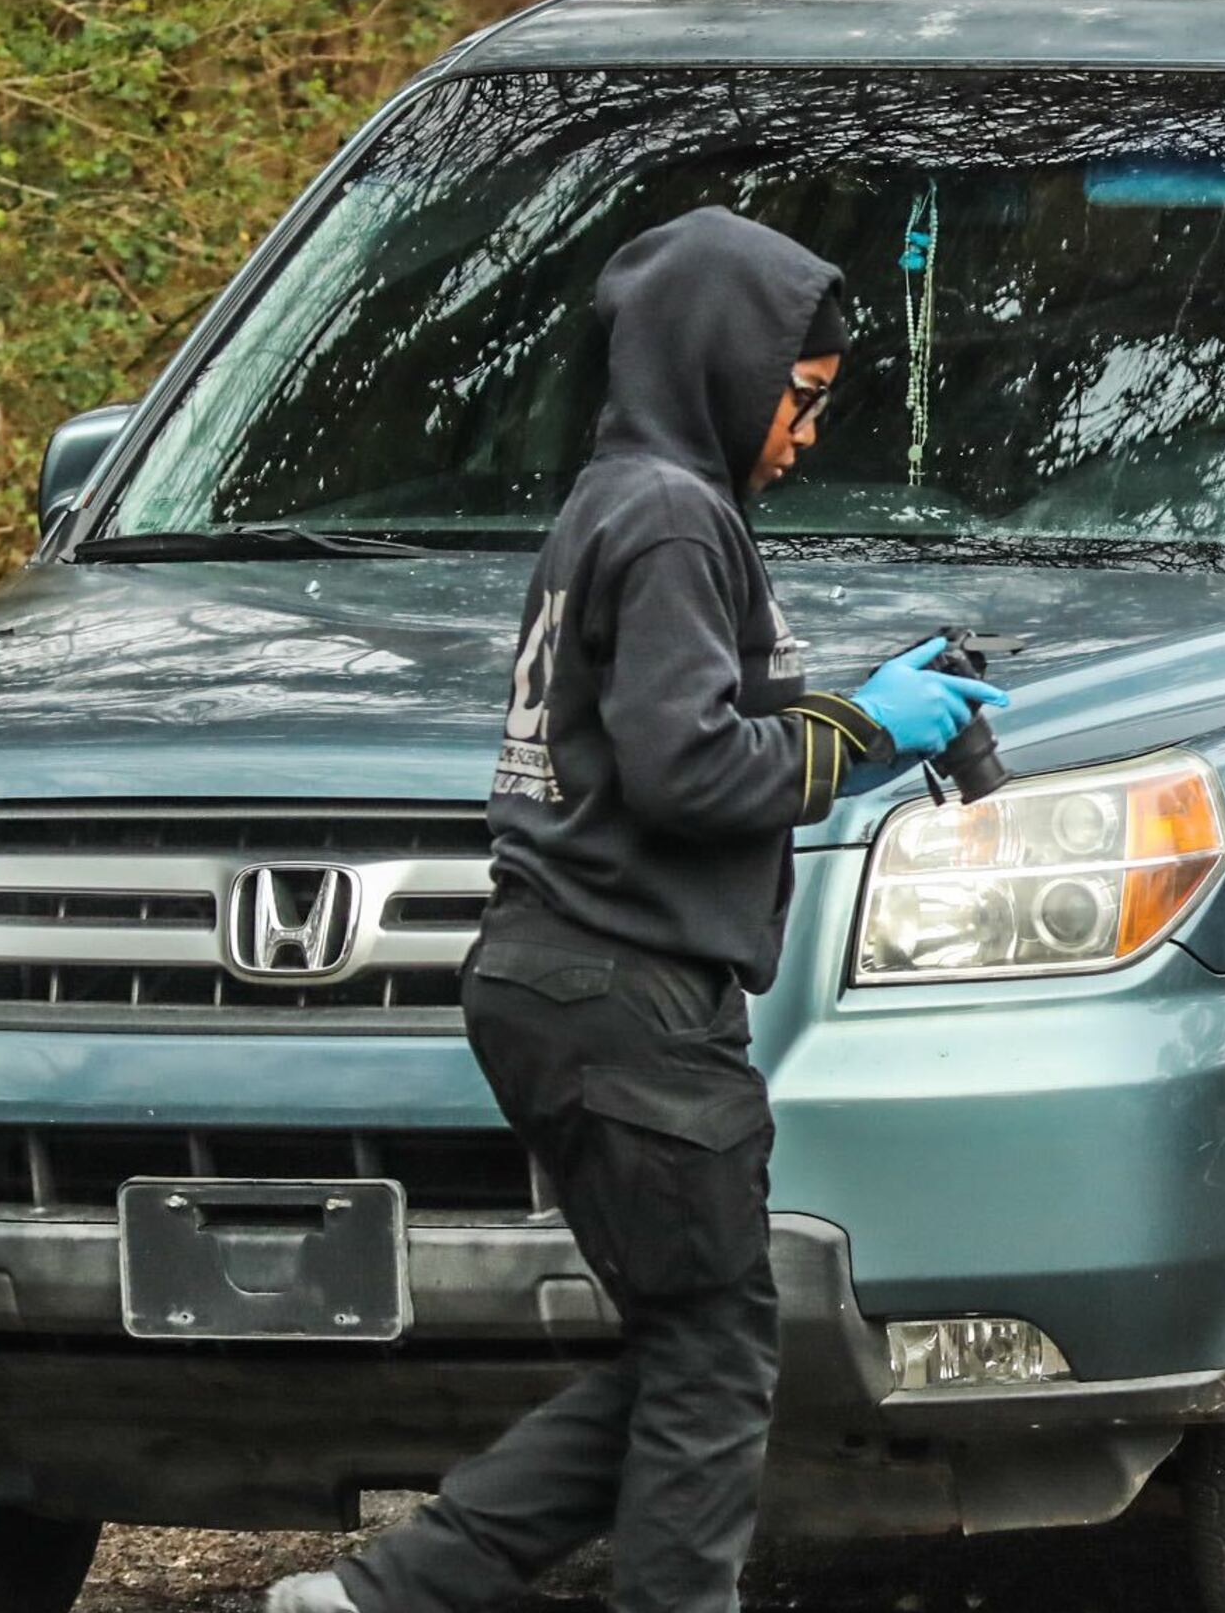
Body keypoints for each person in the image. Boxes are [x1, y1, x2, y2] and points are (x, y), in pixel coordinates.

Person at [272, 206, 1009, 1613]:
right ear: (726, 366)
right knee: (720, 1350)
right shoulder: (675, 515)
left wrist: (861, 697)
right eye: (796, 401)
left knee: (694, 1341)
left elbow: (679, 725)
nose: (801, 437)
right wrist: (860, 730)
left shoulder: (623, 501)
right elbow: (685, 770)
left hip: (555, 985)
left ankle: (384, 1598)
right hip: (629, 997)